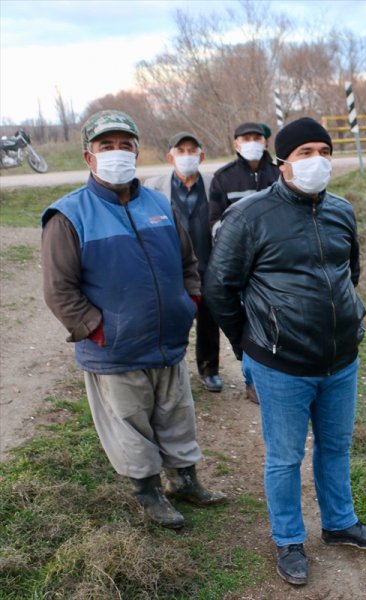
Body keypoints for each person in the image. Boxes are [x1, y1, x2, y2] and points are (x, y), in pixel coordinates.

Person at [204, 117, 366, 586]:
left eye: (324, 152)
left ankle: (339, 523)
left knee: (336, 446)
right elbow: (220, 289)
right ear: (282, 161)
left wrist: (347, 319)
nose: (317, 161)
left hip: (340, 359)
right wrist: (247, 346)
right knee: (285, 457)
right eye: (306, 152)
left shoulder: (342, 211)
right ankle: (288, 539)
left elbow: (349, 272)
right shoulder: (249, 216)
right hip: (281, 364)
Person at [41, 110, 226, 530]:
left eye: (126, 145)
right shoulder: (68, 216)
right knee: (131, 426)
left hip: (167, 341)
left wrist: (188, 303)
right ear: (90, 157)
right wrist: (99, 329)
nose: (118, 153)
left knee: (177, 415)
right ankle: (148, 491)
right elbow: (59, 291)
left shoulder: (158, 203)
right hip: (115, 351)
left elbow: (188, 262)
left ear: (138, 152)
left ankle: (185, 481)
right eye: (107, 146)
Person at [208, 121, 280, 404]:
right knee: (246, 322)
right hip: (240, 265)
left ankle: (276, 375)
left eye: (257, 137)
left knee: (271, 319)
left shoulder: (278, 172)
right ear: (236, 143)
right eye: (246, 138)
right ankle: (252, 379)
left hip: (273, 263)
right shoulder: (223, 178)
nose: (252, 142)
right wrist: (234, 246)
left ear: (265, 142)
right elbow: (213, 220)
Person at [144, 132, 222, 393]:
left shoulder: (215, 184)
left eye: (193, 150)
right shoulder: (152, 187)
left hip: (209, 263)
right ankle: (169, 372)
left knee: (209, 320)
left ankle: (209, 369)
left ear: (202, 155)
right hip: (172, 268)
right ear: (170, 157)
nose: (187, 156)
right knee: (171, 319)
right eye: (181, 151)